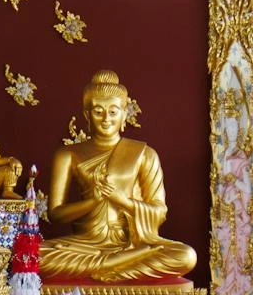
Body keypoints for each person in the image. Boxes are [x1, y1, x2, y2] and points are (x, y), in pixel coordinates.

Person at [41, 70, 196, 283]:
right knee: (35, 256)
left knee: (186, 256)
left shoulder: (144, 154)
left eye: (113, 112)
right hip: (84, 245)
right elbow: (55, 213)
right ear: (86, 115)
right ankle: (112, 266)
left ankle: (110, 268)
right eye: (98, 112)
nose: (106, 119)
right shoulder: (68, 154)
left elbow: (160, 211)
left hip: (131, 244)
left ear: (124, 115)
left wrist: (122, 200)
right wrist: (92, 202)